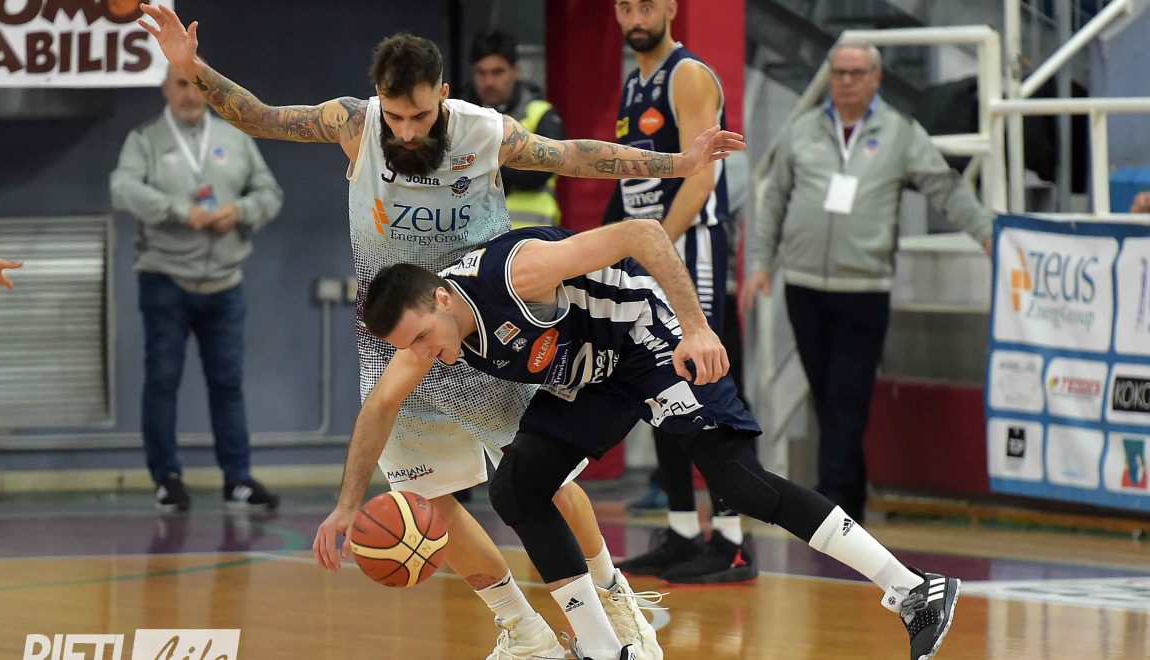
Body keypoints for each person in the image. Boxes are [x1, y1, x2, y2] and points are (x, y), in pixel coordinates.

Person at [139, 6, 740, 657]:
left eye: (420, 116)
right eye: (396, 116)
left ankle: (612, 596)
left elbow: (574, 156)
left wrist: (679, 163)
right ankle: (525, 631)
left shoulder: (485, 131)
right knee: (424, 491)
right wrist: (193, 70)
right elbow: (261, 116)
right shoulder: (356, 124)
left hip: (485, 318)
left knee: (544, 475)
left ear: (443, 95)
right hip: (399, 329)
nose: (405, 130)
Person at [357, 219, 961, 660]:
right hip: (595, 379)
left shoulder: (518, 272)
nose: (421, 354)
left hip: (647, 341)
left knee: (739, 485)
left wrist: (696, 327)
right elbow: (379, 407)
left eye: (421, 338)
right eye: (409, 347)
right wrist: (344, 505)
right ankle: (603, 650)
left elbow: (643, 233)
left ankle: (914, 589)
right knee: (517, 487)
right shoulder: (436, 333)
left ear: (442, 299)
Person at [740, 43, 995, 524]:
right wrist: (761, 263)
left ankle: (829, 503)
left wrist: (985, 233)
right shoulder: (802, 129)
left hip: (865, 287)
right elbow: (774, 198)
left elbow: (942, 185)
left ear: (876, 77)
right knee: (825, 395)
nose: (846, 81)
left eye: (856, 73)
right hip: (804, 286)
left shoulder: (899, 133)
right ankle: (848, 499)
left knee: (847, 395)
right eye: (838, 72)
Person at [605, 0, 752, 584]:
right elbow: (627, 178)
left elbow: (702, 177)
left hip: (691, 246)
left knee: (706, 383)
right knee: (659, 383)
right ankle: (683, 530)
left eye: (646, 5)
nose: (635, 17)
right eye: (625, 6)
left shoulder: (686, 75)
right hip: (653, 248)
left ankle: (734, 538)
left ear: (669, 7)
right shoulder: (633, 83)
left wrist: (656, 244)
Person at [110, 65, 284, 513]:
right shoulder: (145, 140)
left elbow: (269, 193)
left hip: (225, 283)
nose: (190, 94)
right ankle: (167, 479)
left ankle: (238, 480)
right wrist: (177, 210)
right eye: (181, 85)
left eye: (197, 85)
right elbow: (122, 189)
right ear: (165, 88)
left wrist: (241, 211)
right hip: (164, 280)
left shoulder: (235, 138)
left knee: (228, 383)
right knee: (162, 381)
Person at [468, 29, 564, 229]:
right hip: (473, 234)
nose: (489, 82)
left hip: (531, 233)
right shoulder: (460, 114)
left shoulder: (540, 113)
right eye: (481, 73)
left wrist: (479, 163)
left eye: (497, 72)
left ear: (516, 71)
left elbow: (539, 171)